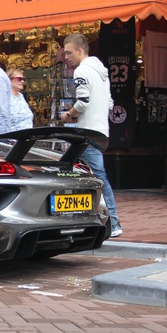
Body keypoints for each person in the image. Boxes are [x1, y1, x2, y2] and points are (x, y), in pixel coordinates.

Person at [60, 33, 122, 237]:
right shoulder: (102, 73)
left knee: (93, 177)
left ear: (80, 50)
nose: (66, 56)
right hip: (101, 131)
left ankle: (112, 223)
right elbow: (110, 103)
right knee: (75, 173)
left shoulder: (82, 70)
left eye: (69, 52)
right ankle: (78, 220)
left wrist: (68, 115)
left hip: (87, 133)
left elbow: (83, 101)